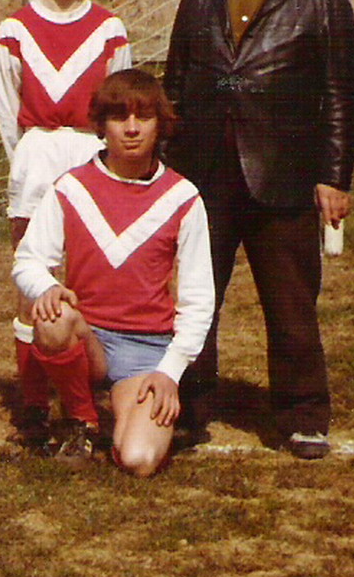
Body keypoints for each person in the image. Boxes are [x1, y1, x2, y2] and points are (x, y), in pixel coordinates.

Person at [163, 0, 354, 459]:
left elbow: (341, 93)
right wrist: (168, 172)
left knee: (291, 302)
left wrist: (333, 175)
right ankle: (188, 408)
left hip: (284, 173)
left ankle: (303, 415)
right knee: (197, 299)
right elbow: (175, 85)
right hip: (205, 175)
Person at [11, 70, 213, 473]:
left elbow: (199, 299)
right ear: (101, 126)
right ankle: (83, 420)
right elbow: (28, 259)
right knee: (53, 318)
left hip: (147, 352)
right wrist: (48, 287)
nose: (133, 129)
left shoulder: (183, 197)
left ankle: (121, 411)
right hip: (89, 339)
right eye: (120, 118)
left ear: (161, 124)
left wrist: (170, 373)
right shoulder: (71, 187)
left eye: (144, 117)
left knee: (138, 459)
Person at [0, 0, 132, 450]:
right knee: (32, 279)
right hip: (35, 156)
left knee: (89, 276)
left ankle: (81, 395)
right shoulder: (15, 28)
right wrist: (28, 154)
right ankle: (32, 401)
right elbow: (7, 110)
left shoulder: (110, 29)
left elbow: (120, 102)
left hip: (90, 156)